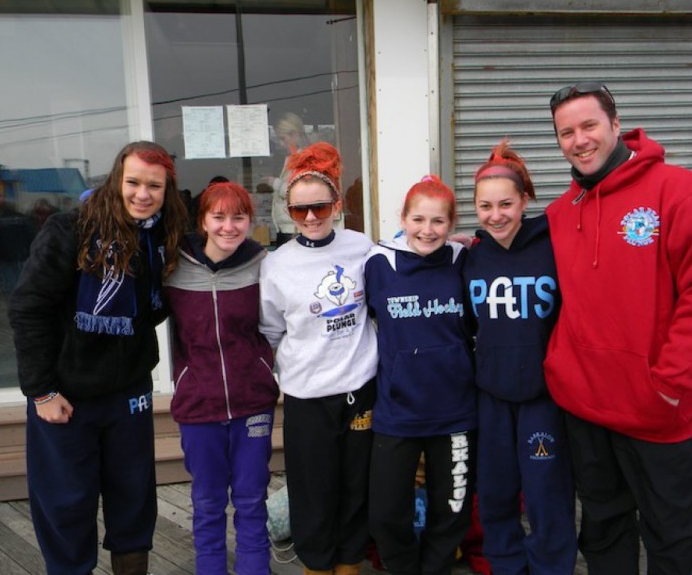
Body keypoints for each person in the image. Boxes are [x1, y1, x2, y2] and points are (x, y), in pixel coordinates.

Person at [544, 82, 692, 574]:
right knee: (604, 529)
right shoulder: (560, 213)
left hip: (656, 407)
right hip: (585, 404)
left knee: (672, 533)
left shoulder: (680, 192)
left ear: (615, 124)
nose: (579, 140)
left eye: (589, 125)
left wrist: (669, 382)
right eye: (566, 132)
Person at [8, 140, 188, 575]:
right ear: (116, 179)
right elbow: (27, 308)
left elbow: (155, 307)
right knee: (67, 507)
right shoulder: (71, 230)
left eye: (154, 186)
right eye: (133, 182)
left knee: (134, 500)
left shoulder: (163, 237)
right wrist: (42, 391)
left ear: (167, 190)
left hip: (128, 393)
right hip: (65, 397)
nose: (143, 194)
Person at [259, 141, 378, 575]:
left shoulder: (361, 247)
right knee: (313, 492)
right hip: (307, 396)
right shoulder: (277, 265)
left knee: (355, 487)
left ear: (336, 204)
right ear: (287, 210)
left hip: (361, 389)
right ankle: (316, 567)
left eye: (321, 207)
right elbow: (271, 331)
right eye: (299, 210)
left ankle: (349, 565)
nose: (310, 218)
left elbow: (406, 260)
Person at [462, 140, 577, 574]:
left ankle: (552, 567)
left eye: (506, 204)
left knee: (547, 492)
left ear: (524, 200)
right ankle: (506, 564)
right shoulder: (471, 257)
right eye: (485, 206)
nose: (496, 215)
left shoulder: (553, 245)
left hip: (543, 397)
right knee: (494, 491)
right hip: (490, 395)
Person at [164, 181, 279, 575]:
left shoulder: (263, 263)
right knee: (209, 500)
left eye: (239, 217)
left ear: (251, 220)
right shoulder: (173, 268)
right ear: (203, 221)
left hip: (253, 402)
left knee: (250, 497)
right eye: (219, 217)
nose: (229, 226)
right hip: (198, 404)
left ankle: (254, 568)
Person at [365, 175, 477, 575]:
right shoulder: (378, 263)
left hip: (456, 413)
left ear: (451, 224)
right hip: (398, 412)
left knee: (452, 510)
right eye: (418, 220)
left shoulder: (463, 260)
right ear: (403, 219)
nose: (427, 231)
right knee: (384, 512)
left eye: (438, 222)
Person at [271, 112, 311, 247]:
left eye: (283, 138)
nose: (282, 144)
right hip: (287, 228)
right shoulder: (292, 158)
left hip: (295, 230)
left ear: (295, 135)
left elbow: (300, 192)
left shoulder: (306, 159)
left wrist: (274, 183)